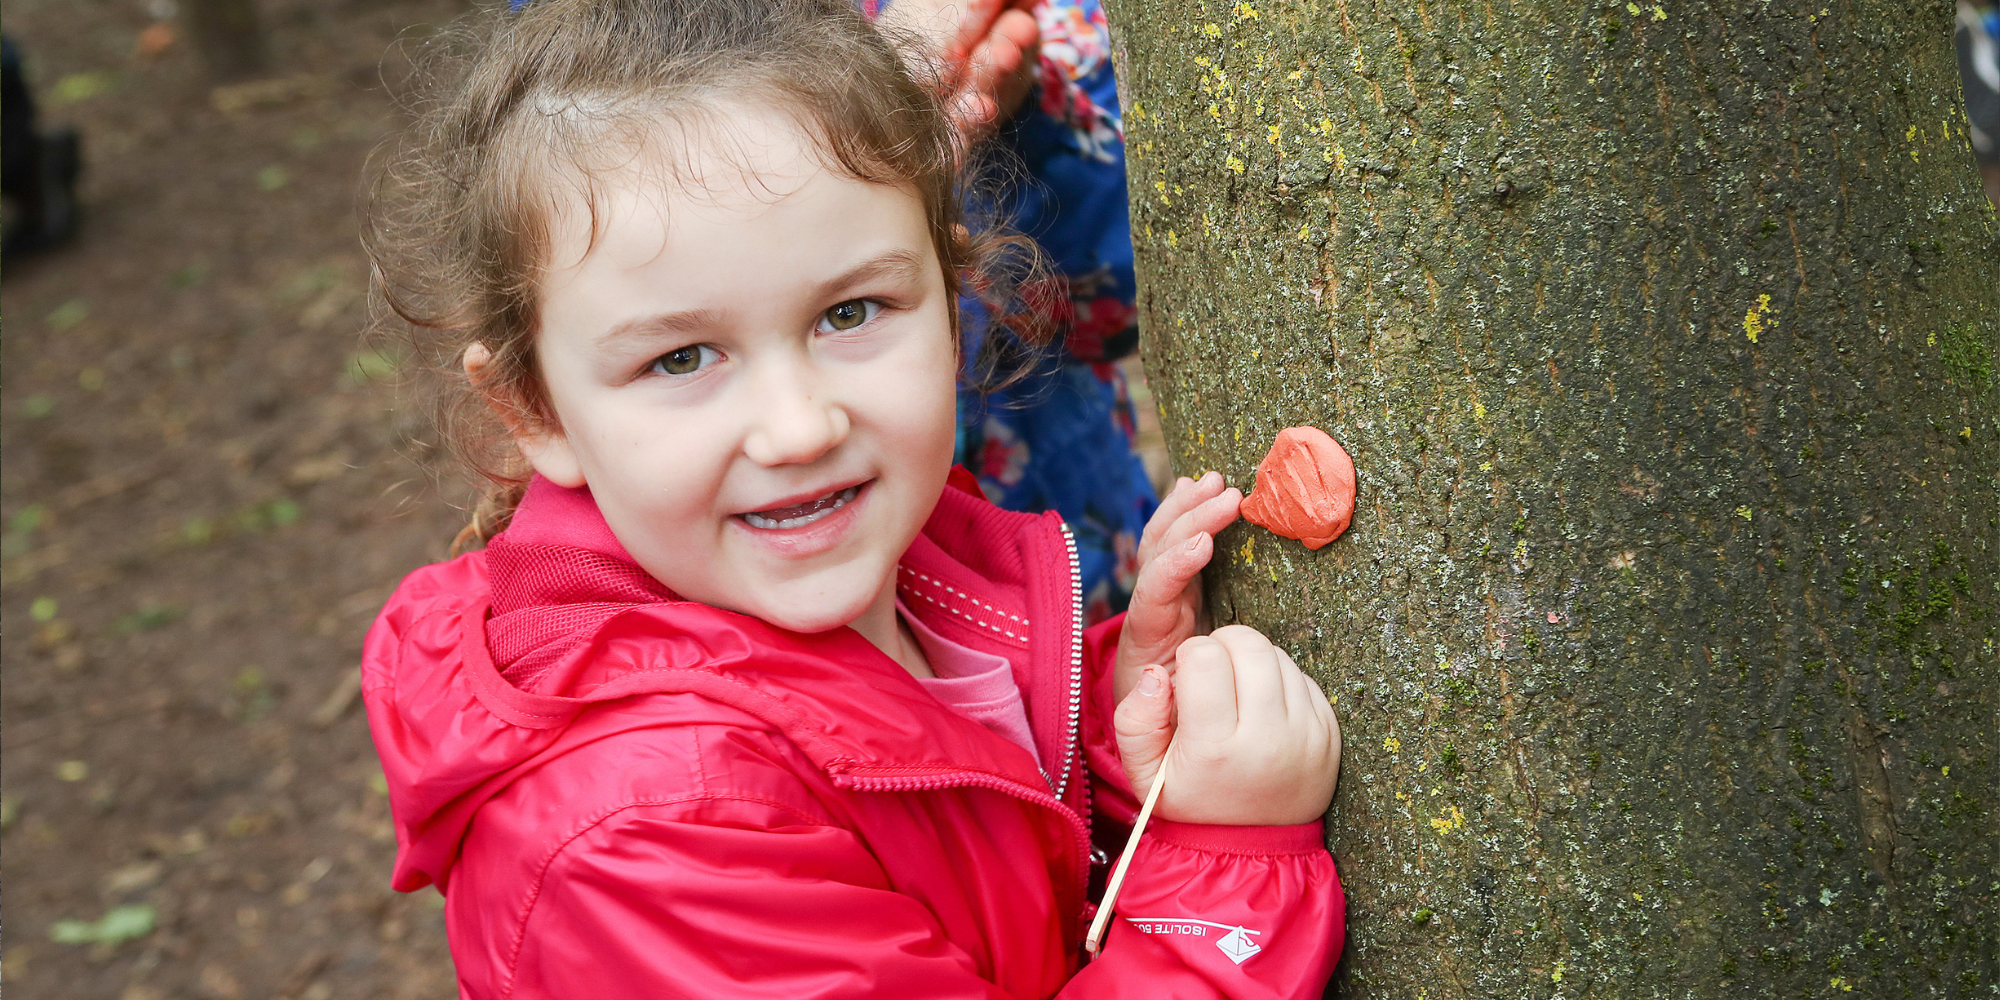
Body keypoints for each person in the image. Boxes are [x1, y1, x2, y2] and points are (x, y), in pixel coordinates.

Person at [360, 1, 1344, 996]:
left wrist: (1130, 737)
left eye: (850, 310)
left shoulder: (920, 577)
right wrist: (1225, 870)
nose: (799, 428)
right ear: (535, 411)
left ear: (953, 296)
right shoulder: (647, 828)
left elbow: (988, 860)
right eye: (681, 357)